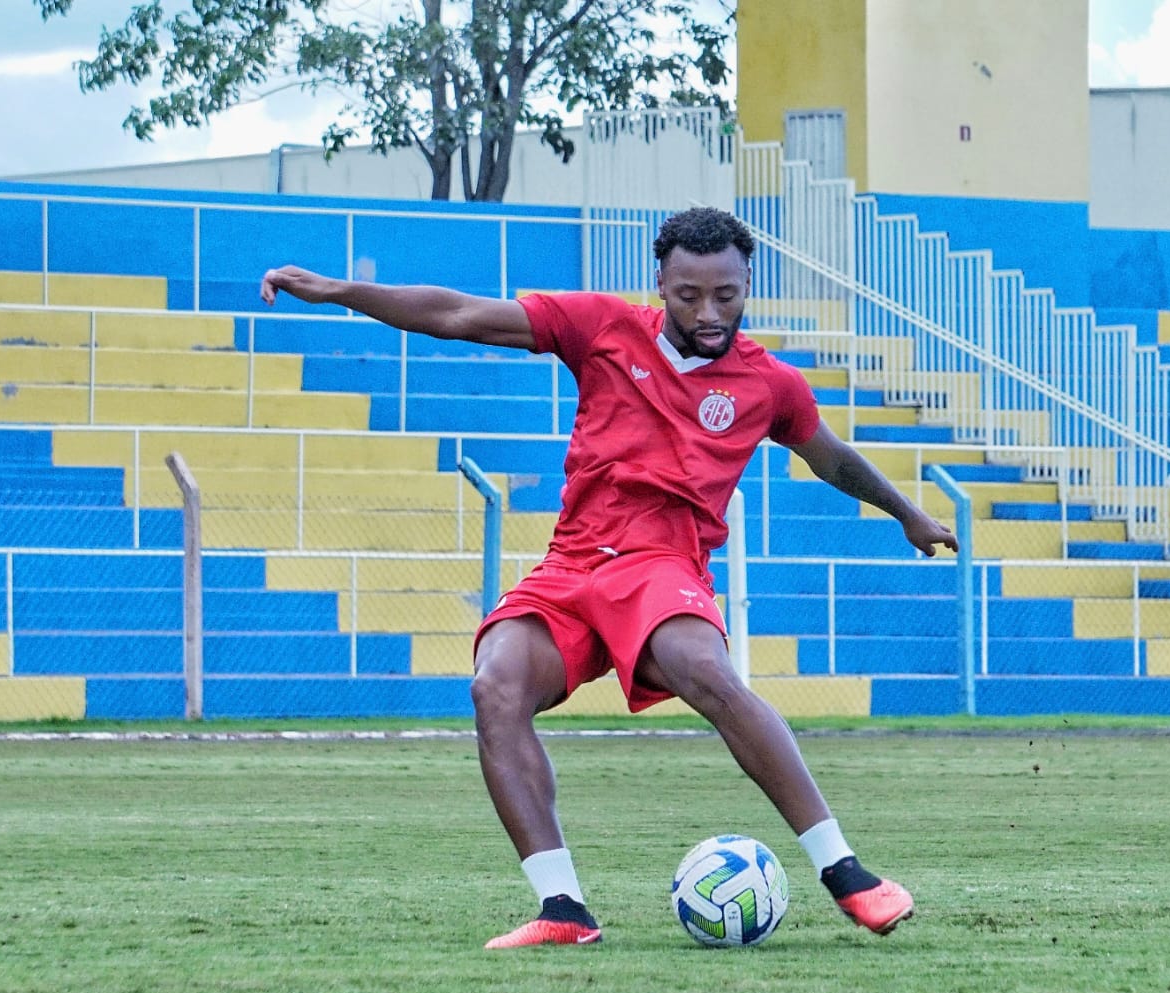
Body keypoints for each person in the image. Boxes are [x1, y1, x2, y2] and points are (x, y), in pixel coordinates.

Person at [261, 206, 958, 949]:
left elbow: (828, 456)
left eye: (727, 293)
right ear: (660, 282)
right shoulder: (599, 326)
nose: (709, 310)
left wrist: (905, 512)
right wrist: (339, 291)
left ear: (747, 282)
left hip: (663, 563)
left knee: (705, 670)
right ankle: (562, 909)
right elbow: (459, 314)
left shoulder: (768, 383)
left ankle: (845, 873)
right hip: (573, 562)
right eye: (689, 294)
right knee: (494, 686)